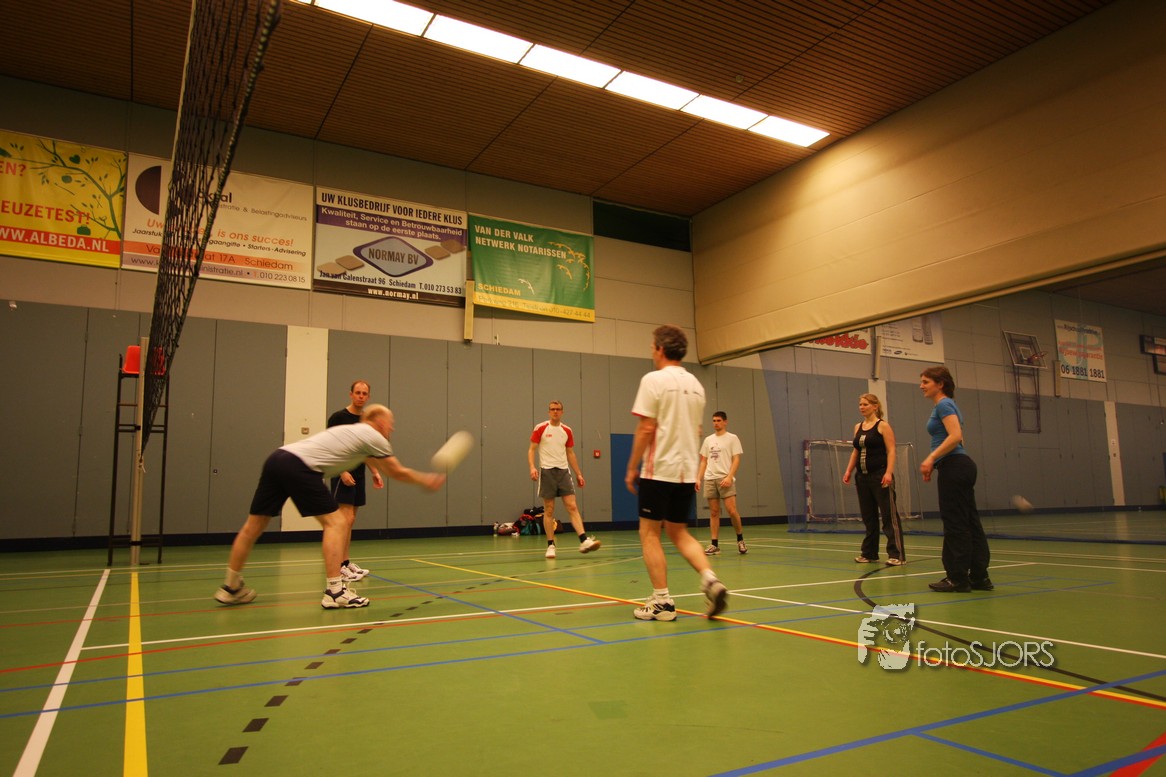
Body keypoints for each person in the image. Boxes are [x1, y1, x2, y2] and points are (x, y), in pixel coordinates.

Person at [213, 404, 445, 609]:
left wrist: (375, 472)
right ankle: (335, 592)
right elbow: (397, 471)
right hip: (301, 467)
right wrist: (425, 479)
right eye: (390, 423)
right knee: (337, 522)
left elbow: (371, 459)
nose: (392, 428)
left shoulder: (354, 432)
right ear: (380, 422)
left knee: (253, 526)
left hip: (278, 459)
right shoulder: (374, 436)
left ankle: (231, 586)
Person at [625, 324, 728, 621]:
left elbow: (646, 427)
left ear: (660, 349)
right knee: (678, 531)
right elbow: (697, 430)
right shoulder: (696, 385)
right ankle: (711, 580)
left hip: (659, 470)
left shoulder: (653, 380)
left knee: (649, 533)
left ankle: (662, 602)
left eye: (652, 346)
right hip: (685, 472)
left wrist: (632, 467)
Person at [918, 366, 992, 593]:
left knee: (955, 523)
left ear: (940, 384)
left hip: (955, 467)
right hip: (958, 466)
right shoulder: (948, 405)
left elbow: (956, 436)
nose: (921, 386)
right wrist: (938, 462)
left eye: (926, 382)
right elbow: (960, 440)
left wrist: (931, 458)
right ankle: (979, 577)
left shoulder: (944, 404)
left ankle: (957, 578)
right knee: (970, 522)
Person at [528, 400, 600, 558]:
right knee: (549, 509)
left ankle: (584, 540)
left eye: (558, 409)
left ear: (562, 412)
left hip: (563, 472)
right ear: (549, 412)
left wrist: (578, 473)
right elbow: (532, 449)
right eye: (553, 409)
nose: (555, 411)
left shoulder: (567, 430)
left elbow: (570, 453)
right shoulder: (540, 428)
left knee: (572, 506)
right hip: (547, 471)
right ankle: (550, 545)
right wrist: (532, 467)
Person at [327, 380, 382, 583]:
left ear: (368, 397)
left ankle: (346, 561)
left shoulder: (366, 421)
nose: (360, 396)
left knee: (350, 521)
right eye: (357, 392)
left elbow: (365, 451)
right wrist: (342, 471)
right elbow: (331, 447)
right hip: (342, 473)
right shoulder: (338, 418)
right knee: (343, 520)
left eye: (364, 393)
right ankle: (339, 566)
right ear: (351, 394)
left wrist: (374, 471)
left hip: (358, 474)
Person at [842, 393, 905, 566]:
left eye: (865, 404)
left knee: (888, 516)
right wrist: (848, 471)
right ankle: (869, 553)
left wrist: (888, 473)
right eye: (860, 404)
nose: (861, 407)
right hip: (862, 478)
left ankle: (897, 554)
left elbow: (891, 450)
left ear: (875, 406)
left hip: (880, 475)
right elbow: (856, 451)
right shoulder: (858, 427)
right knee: (868, 517)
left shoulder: (883, 426)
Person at [696, 411, 747, 555]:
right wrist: (699, 478)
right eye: (714, 420)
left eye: (718, 420)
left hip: (725, 478)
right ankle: (714, 545)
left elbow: (736, 459)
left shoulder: (732, 438)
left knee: (732, 511)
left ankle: (740, 540)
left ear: (725, 422)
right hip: (710, 479)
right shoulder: (708, 440)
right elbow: (704, 461)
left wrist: (730, 477)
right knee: (714, 512)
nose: (716, 423)